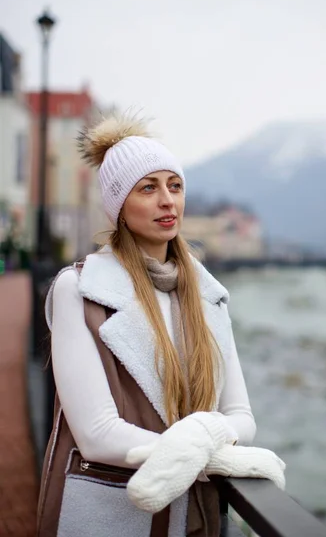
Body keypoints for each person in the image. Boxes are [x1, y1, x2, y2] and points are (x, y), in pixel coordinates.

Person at [37, 115, 286, 537]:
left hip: (195, 516)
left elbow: (241, 415)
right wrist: (212, 457)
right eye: (148, 188)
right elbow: (97, 434)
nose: (167, 200)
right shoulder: (78, 289)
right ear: (119, 204)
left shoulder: (209, 296)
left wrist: (196, 442)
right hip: (110, 511)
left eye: (175, 185)